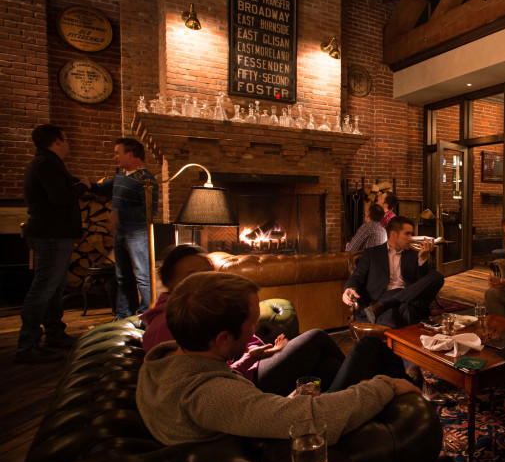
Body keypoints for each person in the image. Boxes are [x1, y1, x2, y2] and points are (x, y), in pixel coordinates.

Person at [136, 271, 422, 446]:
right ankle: (414, 415)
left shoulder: (166, 360)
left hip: (265, 426)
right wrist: (386, 386)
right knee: (367, 349)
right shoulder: (208, 395)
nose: (254, 331)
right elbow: (312, 419)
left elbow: (250, 409)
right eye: (251, 324)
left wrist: (286, 398)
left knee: (330, 366)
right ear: (222, 338)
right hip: (298, 451)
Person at [142, 245, 405, 397]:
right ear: (168, 280)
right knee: (326, 339)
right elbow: (215, 377)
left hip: (252, 363)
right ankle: (391, 390)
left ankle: (352, 395)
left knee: (327, 366)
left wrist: (256, 349)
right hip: (252, 376)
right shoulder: (170, 323)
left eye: (206, 271)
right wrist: (252, 357)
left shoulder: (193, 308)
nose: (204, 279)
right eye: (191, 274)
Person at [16, 125, 85, 363]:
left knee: (55, 287)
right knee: (43, 288)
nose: (68, 145)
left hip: (53, 234)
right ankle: (28, 345)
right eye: (66, 140)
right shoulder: (46, 164)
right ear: (57, 140)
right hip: (51, 234)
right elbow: (60, 198)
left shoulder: (47, 164)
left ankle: (55, 333)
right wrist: (83, 187)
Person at [89, 138, 158, 319]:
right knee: (122, 277)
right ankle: (124, 316)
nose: (115, 157)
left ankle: (146, 315)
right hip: (120, 235)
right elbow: (100, 188)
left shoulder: (146, 179)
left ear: (130, 154)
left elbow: (150, 211)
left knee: (143, 276)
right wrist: (83, 183)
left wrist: (121, 216)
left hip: (137, 234)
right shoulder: (120, 177)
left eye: (117, 153)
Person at [343, 215, 443, 329]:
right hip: (382, 298)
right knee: (406, 313)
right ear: (394, 235)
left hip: (405, 300)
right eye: (407, 234)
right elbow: (357, 277)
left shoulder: (414, 255)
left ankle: (386, 306)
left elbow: (421, 285)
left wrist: (422, 259)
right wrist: (349, 288)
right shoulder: (372, 254)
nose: (411, 238)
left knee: (437, 276)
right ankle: (390, 308)